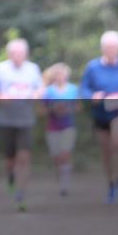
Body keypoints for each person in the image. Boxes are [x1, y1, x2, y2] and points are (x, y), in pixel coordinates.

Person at [80, 30, 118, 204]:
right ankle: (111, 184)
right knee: (107, 151)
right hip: (100, 112)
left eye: (114, 47)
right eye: (108, 47)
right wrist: (92, 96)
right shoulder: (93, 67)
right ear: (103, 48)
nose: (111, 50)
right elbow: (84, 89)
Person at [0, 39, 43, 212]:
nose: (17, 56)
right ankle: (11, 179)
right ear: (9, 54)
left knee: (24, 157)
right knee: (10, 159)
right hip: (5, 120)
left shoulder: (33, 69)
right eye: (14, 53)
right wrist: (0, 98)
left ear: (26, 54)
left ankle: (21, 193)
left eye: (20, 53)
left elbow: (41, 89)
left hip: (26, 120)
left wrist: (35, 95)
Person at [41, 63, 79, 196]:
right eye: (57, 75)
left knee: (65, 154)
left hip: (68, 126)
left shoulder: (73, 89)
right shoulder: (48, 91)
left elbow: (78, 107)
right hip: (52, 128)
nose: (60, 77)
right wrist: (53, 109)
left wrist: (67, 109)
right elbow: (41, 110)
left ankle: (65, 184)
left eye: (62, 74)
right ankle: (60, 176)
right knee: (57, 157)